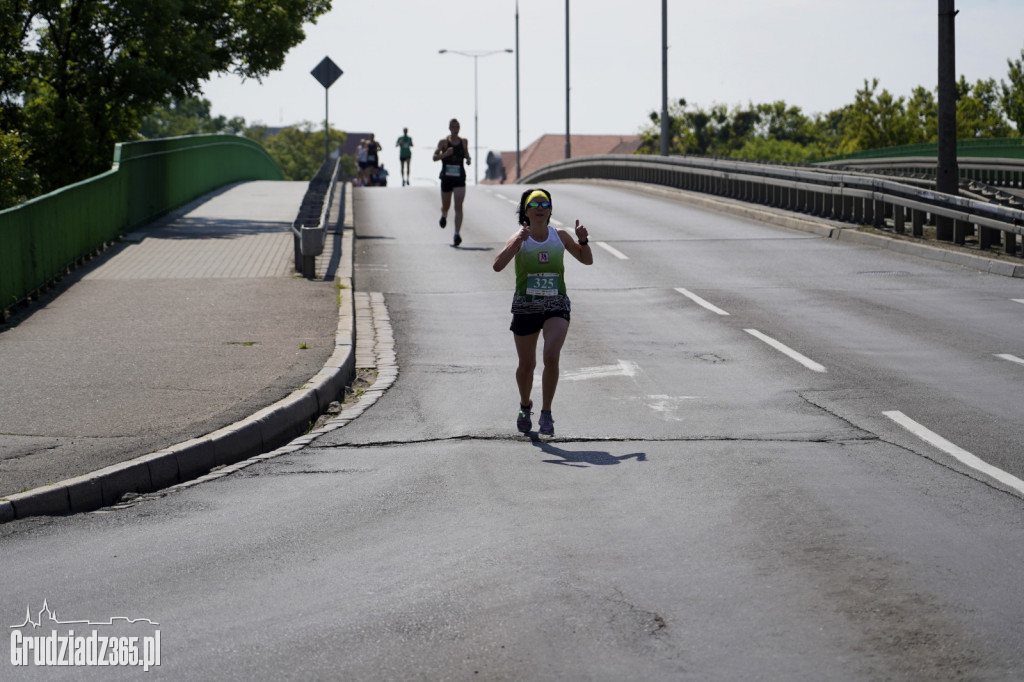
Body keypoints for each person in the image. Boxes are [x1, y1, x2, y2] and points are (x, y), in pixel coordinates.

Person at [492, 188, 593, 436]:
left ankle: (546, 413)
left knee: (551, 356)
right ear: (526, 211)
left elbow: (586, 260)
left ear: (550, 210)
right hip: (526, 306)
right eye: (534, 204)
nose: (539, 207)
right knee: (526, 365)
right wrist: (516, 243)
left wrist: (583, 241)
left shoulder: (559, 236)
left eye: (544, 203)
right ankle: (525, 405)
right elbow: (497, 266)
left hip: (556, 304)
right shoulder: (519, 238)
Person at [432, 118, 471, 247]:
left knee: (458, 206)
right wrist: (445, 154)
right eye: (453, 127)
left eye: (457, 127)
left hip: (459, 177)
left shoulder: (464, 142)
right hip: (446, 178)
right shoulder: (443, 142)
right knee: (446, 205)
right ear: (449, 128)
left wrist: (468, 159)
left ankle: (456, 234)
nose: (455, 129)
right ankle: (444, 214)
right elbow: (434, 157)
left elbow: (466, 154)